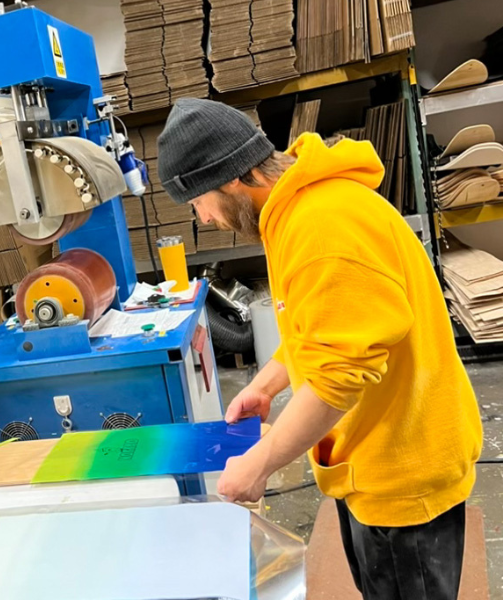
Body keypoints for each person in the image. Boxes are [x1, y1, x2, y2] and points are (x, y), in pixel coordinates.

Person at [157, 98, 482, 600]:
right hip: (375, 457)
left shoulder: (321, 225)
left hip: (401, 474)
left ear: (227, 179)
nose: (203, 218)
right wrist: (267, 383)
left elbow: (338, 377)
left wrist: (261, 462)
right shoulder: (298, 212)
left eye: (197, 201)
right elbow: (320, 327)